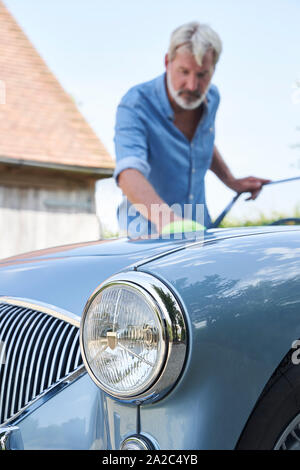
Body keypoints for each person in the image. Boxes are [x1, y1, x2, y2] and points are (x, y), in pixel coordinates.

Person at [113, 21, 270, 237]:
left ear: (214, 69)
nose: (192, 86)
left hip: (197, 230)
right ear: (167, 62)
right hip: (146, 238)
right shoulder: (135, 104)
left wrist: (230, 181)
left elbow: (201, 142)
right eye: (184, 71)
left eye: (202, 75)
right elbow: (128, 172)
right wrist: (167, 220)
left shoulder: (212, 98)